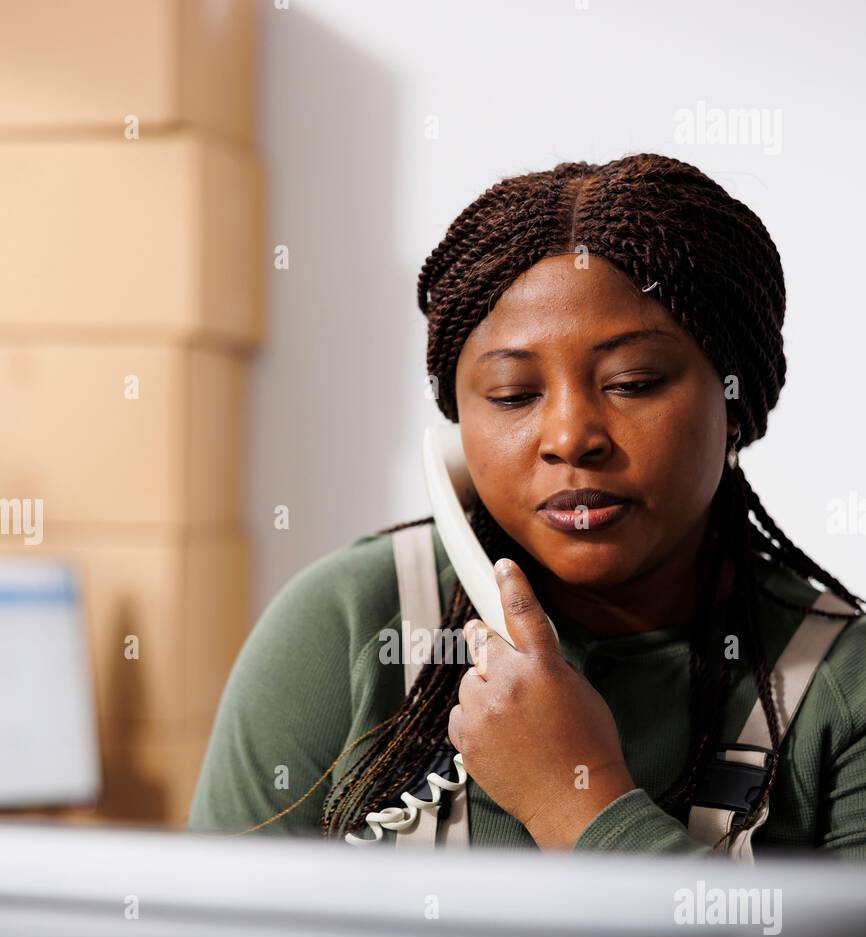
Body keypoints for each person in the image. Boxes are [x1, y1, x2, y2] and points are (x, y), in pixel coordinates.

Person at [188, 153, 866, 856]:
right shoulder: (349, 624)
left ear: (735, 401)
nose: (571, 438)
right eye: (513, 395)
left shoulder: (844, 689)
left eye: (633, 382)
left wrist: (578, 802)